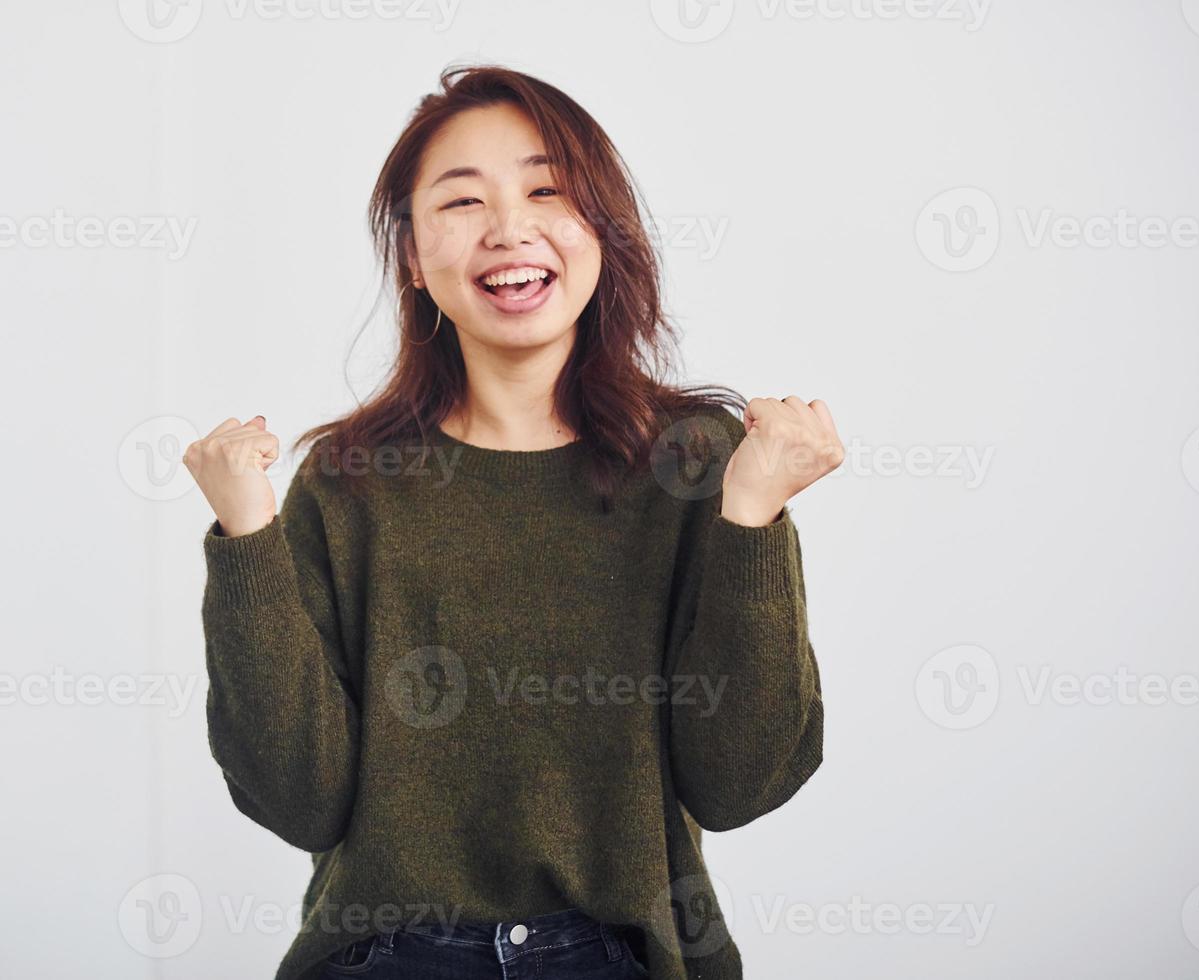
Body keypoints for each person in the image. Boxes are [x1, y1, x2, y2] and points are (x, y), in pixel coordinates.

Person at [183, 63, 844, 980]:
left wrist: (752, 515)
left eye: (547, 190)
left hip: (620, 954)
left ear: (602, 230)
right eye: (460, 203)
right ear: (412, 255)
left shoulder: (699, 461)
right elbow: (299, 802)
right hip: (387, 956)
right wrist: (247, 540)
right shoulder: (348, 481)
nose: (508, 229)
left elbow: (741, 783)